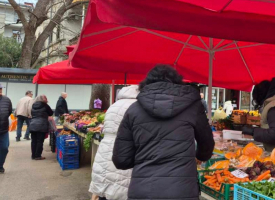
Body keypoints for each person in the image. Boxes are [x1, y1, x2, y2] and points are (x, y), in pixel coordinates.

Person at [113, 65, 215, 199]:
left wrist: (145, 157)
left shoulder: (133, 110)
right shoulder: (193, 107)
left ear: (146, 84)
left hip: (143, 189)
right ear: (178, 82)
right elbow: (206, 147)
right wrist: (199, 156)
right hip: (182, 190)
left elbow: (121, 160)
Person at [90, 85, 139, 199]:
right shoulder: (136, 106)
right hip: (125, 148)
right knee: (120, 184)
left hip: (106, 147)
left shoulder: (113, 106)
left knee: (105, 179)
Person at [27, 94, 53, 160]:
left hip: (33, 124)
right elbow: (51, 113)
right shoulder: (45, 105)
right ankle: (38, 155)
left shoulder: (33, 105)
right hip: (42, 125)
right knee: (40, 141)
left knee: (34, 141)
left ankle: (33, 155)